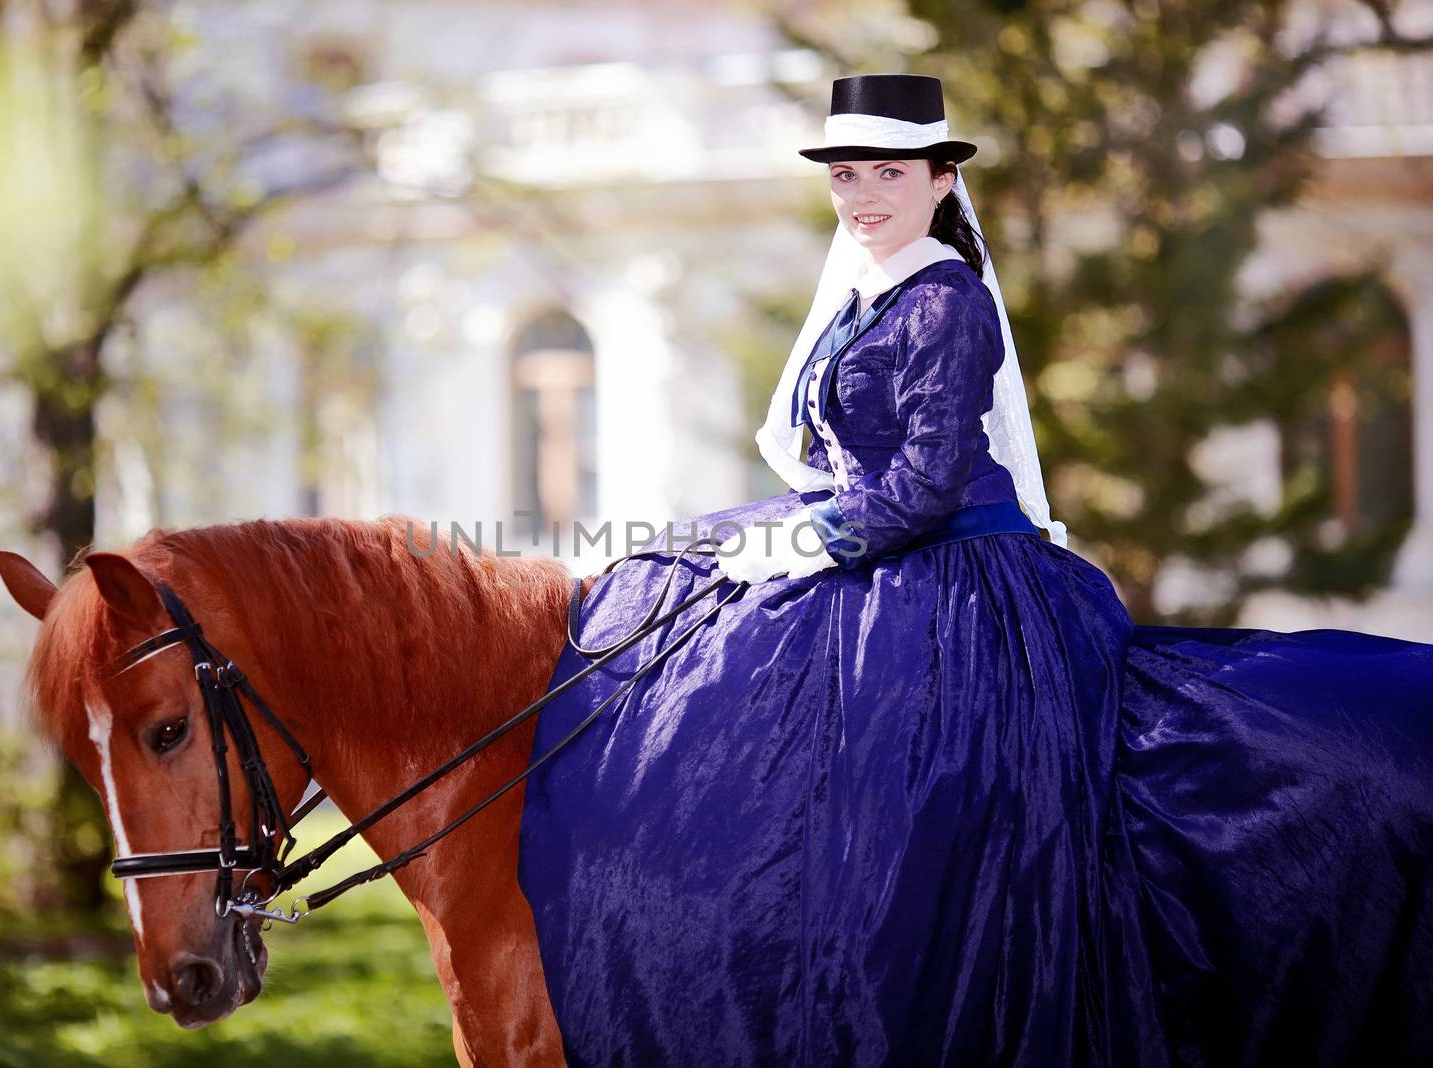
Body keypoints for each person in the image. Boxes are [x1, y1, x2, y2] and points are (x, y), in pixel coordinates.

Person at [517, 74, 1433, 1066]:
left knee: (910, 787)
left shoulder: (943, 301)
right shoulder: (860, 299)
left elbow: (922, 483)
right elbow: (833, 454)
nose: (864, 194)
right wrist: (771, 534)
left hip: (952, 569)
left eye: (889, 172)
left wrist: (794, 545)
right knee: (679, 594)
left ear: (941, 180)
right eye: (847, 174)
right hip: (873, 540)